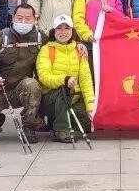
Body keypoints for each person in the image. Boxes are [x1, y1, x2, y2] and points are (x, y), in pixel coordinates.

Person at [0, 4, 46, 142]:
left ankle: (29, 125)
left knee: (32, 84)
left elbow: (58, 46)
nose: (23, 22)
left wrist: (78, 45)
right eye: (20, 18)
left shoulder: (41, 39)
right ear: (12, 18)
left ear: (35, 20)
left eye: (28, 18)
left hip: (22, 90)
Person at [37, 15, 95, 143]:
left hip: (73, 98)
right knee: (64, 90)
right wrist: (64, 79)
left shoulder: (79, 50)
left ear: (72, 31)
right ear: (54, 31)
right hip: (51, 98)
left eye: (67, 28)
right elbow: (44, 77)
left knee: (85, 125)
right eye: (59, 28)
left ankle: (59, 123)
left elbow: (86, 81)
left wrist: (90, 107)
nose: (63, 32)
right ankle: (61, 130)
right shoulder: (46, 50)